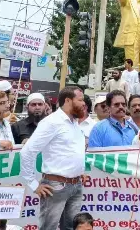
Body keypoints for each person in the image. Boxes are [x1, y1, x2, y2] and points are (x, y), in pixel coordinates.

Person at [20, 86, 86, 230]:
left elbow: (69, 151)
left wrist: (79, 170)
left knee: (71, 227)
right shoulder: (51, 122)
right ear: (68, 100)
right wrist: (33, 184)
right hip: (55, 186)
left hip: (76, 184)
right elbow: (27, 152)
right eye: (80, 100)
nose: (84, 104)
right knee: (48, 227)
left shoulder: (74, 123)